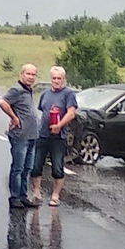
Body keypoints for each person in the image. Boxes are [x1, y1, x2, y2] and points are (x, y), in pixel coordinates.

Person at [0, 63, 43, 209]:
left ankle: (23, 196)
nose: (31, 77)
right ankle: (14, 197)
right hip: (20, 135)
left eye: (33, 74)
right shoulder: (16, 90)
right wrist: (14, 117)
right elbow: (2, 102)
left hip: (31, 135)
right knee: (18, 168)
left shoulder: (28, 90)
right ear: (21, 74)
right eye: (28, 74)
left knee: (27, 168)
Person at [37, 66, 79, 206]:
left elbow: (71, 113)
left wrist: (59, 125)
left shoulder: (68, 94)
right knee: (36, 165)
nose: (56, 81)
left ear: (63, 79)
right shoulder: (45, 94)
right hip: (43, 134)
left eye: (59, 78)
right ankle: (36, 193)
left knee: (57, 167)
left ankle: (55, 195)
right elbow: (42, 111)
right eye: (54, 78)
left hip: (59, 136)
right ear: (51, 79)